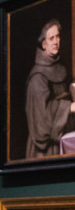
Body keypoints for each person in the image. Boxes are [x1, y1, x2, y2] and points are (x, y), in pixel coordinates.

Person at [25, 19, 75, 158]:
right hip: (45, 150)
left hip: (62, 137)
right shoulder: (37, 77)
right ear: (44, 44)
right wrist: (69, 108)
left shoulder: (60, 68)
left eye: (58, 37)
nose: (56, 41)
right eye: (51, 38)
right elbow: (41, 122)